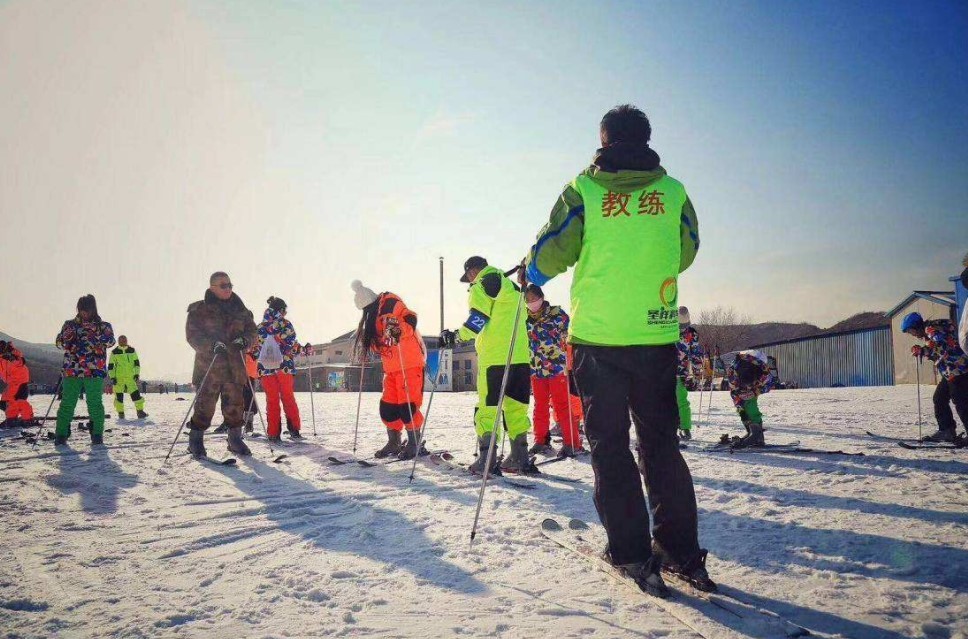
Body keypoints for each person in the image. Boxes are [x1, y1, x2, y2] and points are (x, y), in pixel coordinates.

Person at [524, 104, 711, 596]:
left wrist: (532, 272)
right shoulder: (673, 192)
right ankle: (680, 549)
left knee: (609, 446)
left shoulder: (583, 189)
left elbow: (551, 251)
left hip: (599, 338)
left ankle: (630, 552)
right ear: (647, 139)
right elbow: (686, 249)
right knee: (660, 445)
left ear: (603, 141)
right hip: (655, 333)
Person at [441, 256, 533, 475]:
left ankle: (487, 460)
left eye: (468, 277)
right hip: (519, 357)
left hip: (495, 359)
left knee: (488, 409)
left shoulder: (481, 285)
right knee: (516, 409)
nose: (469, 281)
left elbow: (479, 318)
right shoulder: (512, 286)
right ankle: (520, 457)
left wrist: (456, 336)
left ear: (472, 272)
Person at [185, 272, 258, 458]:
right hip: (209, 367)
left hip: (235, 367)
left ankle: (234, 439)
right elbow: (192, 335)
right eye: (223, 285)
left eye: (230, 285)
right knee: (204, 406)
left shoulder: (241, 310)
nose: (228, 289)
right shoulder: (198, 310)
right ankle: (195, 441)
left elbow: (252, 331)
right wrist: (211, 345)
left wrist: (245, 340)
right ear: (212, 288)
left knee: (235, 405)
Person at [352, 281, 428, 460]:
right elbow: (382, 344)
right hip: (392, 368)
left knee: (407, 405)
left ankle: (414, 443)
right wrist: (369, 345)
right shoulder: (373, 315)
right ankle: (394, 441)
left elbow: (409, 322)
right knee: (388, 407)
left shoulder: (390, 303)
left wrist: (393, 333)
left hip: (408, 363)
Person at [525, 284, 582, 457]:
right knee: (539, 406)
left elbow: (570, 337)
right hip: (536, 369)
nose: (532, 303)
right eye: (528, 300)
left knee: (562, 405)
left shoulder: (558, 315)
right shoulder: (524, 319)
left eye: (534, 299)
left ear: (541, 297)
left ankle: (572, 443)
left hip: (557, 367)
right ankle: (541, 441)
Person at [54, 295, 115, 445]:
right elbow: (59, 344)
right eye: (81, 309)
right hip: (72, 370)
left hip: (94, 371)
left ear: (93, 309)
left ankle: (97, 434)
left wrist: (97, 336)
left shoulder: (103, 326)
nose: (83, 313)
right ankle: (61, 434)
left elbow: (111, 341)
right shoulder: (69, 325)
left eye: (86, 310)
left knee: (94, 403)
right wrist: (65, 339)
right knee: (67, 402)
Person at [902, 312, 968, 443]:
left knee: (961, 403)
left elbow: (942, 346)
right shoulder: (929, 332)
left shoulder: (931, 329)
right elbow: (934, 348)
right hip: (950, 371)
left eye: (911, 331)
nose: (912, 334)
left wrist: (923, 350)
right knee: (939, 398)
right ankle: (946, 430)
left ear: (916, 326)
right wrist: (923, 350)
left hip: (958, 369)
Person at [254, 296, 304, 442]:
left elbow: (257, 349)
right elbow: (291, 345)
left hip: (266, 368)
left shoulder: (260, 327)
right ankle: (294, 429)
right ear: (281, 310)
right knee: (288, 397)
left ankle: (273, 433)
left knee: (271, 399)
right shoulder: (285, 324)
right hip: (284, 367)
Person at [724, 350, 773, 448]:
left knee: (748, 408)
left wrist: (755, 391)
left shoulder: (743, 364)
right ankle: (753, 432)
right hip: (740, 390)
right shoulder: (742, 365)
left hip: (744, 389)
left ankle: (756, 435)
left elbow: (767, 382)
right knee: (743, 410)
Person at [676, 306, 704, 441]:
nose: (683, 328)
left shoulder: (691, 333)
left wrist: (697, 372)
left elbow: (696, 353)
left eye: (685, 326)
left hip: (680, 373)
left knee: (681, 401)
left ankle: (685, 428)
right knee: (661, 401)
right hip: (662, 370)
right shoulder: (666, 329)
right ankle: (664, 428)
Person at [108, 335, 148, 420]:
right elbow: (111, 366)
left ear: (127, 340)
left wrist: (136, 374)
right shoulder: (114, 352)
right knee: (119, 397)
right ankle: (121, 413)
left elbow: (136, 363)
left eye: (124, 340)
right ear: (118, 341)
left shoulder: (132, 350)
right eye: (121, 340)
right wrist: (112, 377)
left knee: (136, 395)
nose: (123, 341)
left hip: (130, 378)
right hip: (119, 378)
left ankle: (140, 412)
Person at [0, 341, 34, 428]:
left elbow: (21, 362)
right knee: (5, 401)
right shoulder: (1, 359)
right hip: (12, 383)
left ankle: (28, 419)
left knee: (20, 401)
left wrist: (11, 357)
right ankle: (11, 418)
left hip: (20, 381)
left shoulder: (13, 353)